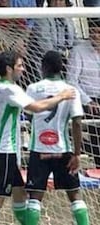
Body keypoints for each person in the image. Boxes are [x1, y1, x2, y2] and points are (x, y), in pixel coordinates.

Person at [0, 50, 76, 225]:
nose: (23, 69)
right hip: (3, 149)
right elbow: (36, 107)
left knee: (20, 192)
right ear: (9, 69)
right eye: (20, 66)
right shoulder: (10, 89)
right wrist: (61, 96)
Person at [24, 50, 89, 225]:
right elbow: (77, 122)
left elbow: (29, 114)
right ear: (62, 68)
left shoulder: (33, 88)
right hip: (63, 149)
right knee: (75, 194)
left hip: (39, 149)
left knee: (35, 197)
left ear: (42, 67)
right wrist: (77, 154)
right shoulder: (71, 90)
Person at [66, 18, 100, 168]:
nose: (96, 36)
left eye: (98, 32)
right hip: (87, 98)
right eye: (92, 32)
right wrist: (88, 101)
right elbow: (71, 81)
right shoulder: (78, 51)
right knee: (95, 118)